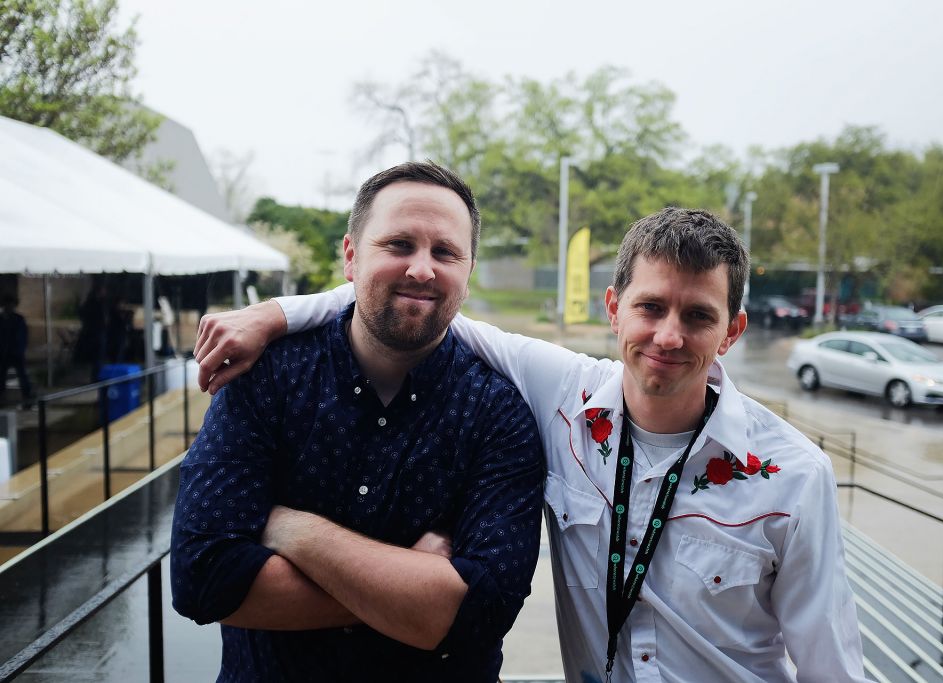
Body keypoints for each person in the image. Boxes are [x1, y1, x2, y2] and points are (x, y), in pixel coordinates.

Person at [196, 208, 868, 682]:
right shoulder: (564, 396)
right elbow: (416, 295)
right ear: (613, 308)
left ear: (733, 330)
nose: (669, 335)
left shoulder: (794, 474)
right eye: (651, 307)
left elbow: (830, 667)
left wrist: (291, 528)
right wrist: (276, 313)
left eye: (698, 316)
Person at [171, 161, 545, 682]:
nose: (421, 268)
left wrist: (292, 530)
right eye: (398, 245)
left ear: (469, 269)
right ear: (351, 256)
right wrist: (413, 584)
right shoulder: (267, 379)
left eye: (445, 252)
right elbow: (202, 580)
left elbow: (478, 613)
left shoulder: (500, 414)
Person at [0, 295, 33, 408]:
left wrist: (19, 349)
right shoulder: (3, 319)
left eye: (11, 305)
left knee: (22, 375)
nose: (8, 307)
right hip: (4, 352)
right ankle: (3, 397)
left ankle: (27, 397)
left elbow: (22, 336)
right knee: (2, 376)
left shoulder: (18, 319)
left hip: (15, 352)